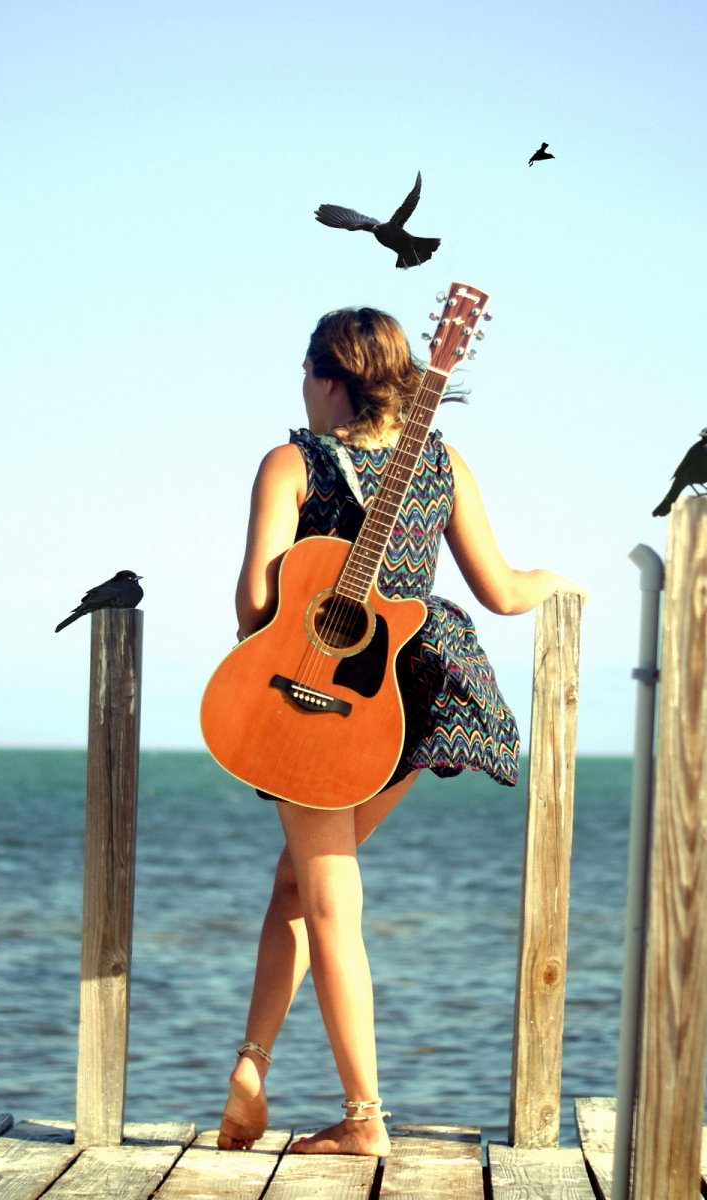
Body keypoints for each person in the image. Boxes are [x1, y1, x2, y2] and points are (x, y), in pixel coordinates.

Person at [216, 306, 583, 1157]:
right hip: (412, 690)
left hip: (318, 698)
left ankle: (363, 1118)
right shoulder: (441, 462)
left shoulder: (290, 462)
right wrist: (561, 581)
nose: (302, 395)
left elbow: (251, 608)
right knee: (298, 886)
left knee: (331, 900)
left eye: (308, 377)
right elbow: (500, 588)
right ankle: (251, 1069)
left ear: (330, 378)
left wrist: (306, 587)